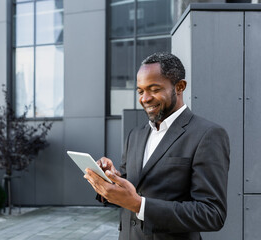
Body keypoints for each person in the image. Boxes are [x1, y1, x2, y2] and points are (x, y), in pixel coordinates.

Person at [84, 52, 230, 240]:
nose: (145, 98)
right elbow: (133, 188)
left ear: (179, 87)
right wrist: (111, 179)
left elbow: (212, 214)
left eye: (154, 89)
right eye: (140, 91)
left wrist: (140, 205)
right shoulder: (135, 135)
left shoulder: (208, 135)